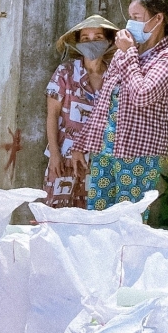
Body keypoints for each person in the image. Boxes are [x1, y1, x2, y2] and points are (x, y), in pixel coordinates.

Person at [81, 0, 168, 214]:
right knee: (97, 215)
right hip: (106, 148)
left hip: (138, 152)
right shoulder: (125, 52)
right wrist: (83, 143)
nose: (131, 24)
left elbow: (142, 95)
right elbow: (104, 99)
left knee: (128, 218)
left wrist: (129, 54)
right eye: (131, 17)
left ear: (159, 18)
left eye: (137, 18)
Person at [44, 15, 118, 208]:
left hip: (99, 162)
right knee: (56, 213)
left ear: (109, 41)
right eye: (85, 38)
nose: (91, 42)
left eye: (97, 37)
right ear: (78, 43)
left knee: (91, 216)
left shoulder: (115, 76)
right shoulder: (65, 72)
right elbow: (52, 115)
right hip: (64, 158)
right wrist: (54, 154)